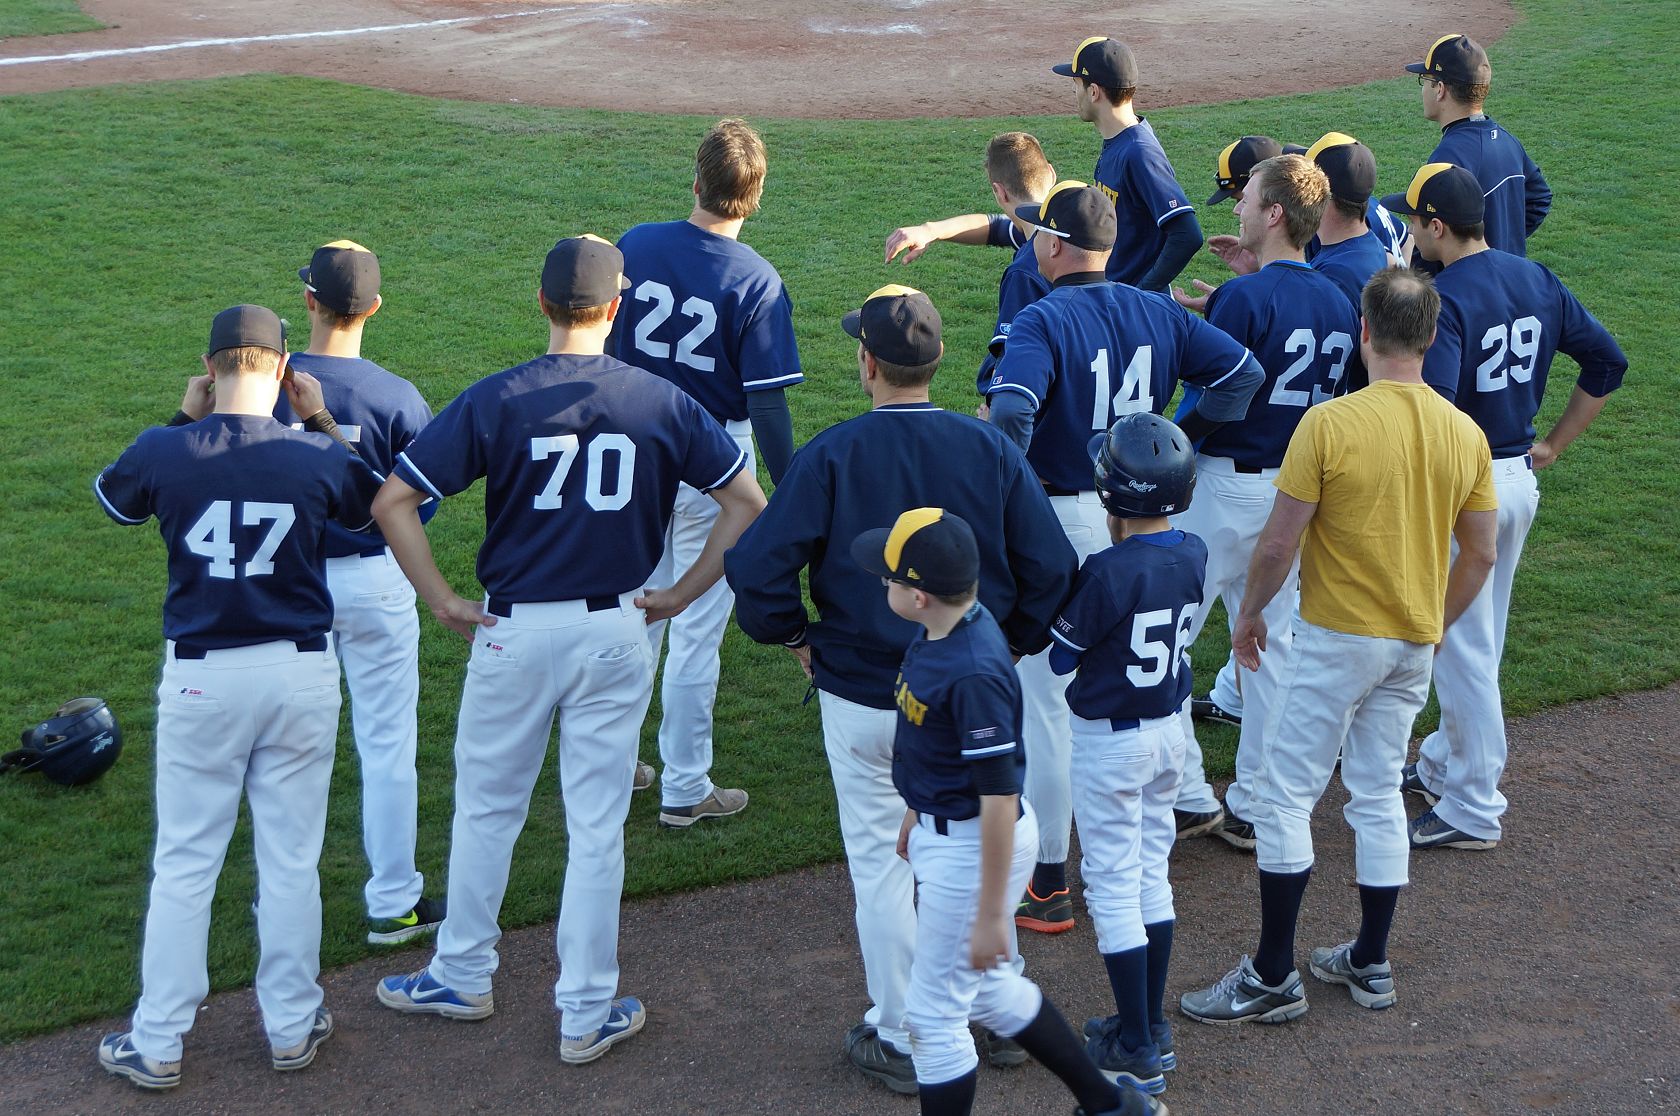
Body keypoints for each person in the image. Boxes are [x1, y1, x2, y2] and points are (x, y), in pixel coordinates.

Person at [370, 236, 766, 1064]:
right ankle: (585, 1011)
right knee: (596, 827)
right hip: (617, 632)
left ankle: (462, 974)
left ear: (542, 302)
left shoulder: (498, 396)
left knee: (487, 811)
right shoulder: (662, 400)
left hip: (511, 633)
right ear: (616, 308)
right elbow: (746, 502)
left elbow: (392, 500)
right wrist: (684, 593)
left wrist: (440, 598)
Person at [725, 286, 1077, 1094]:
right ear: (938, 359)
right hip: (969, 699)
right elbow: (1053, 568)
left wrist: (796, 637)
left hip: (862, 697)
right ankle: (998, 1013)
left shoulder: (833, 453)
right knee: (979, 845)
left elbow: (756, 569)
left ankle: (904, 1032)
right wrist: (1007, 647)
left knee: (884, 865)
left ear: (867, 363)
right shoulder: (989, 449)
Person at [1179, 267, 1498, 1025]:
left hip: (1333, 642)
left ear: (1365, 332)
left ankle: (1271, 976)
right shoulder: (1466, 432)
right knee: (1378, 794)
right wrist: (1435, 624)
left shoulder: (1328, 424)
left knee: (1285, 798)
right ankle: (1370, 960)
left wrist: (1249, 614)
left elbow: (1277, 544)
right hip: (1410, 645)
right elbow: (1481, 553)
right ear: (1430, 336)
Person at [93, 305, 379, 1088]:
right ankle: (291, 1025)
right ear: (284, 370)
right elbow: (374, 507)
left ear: (208, 366)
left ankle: (158, 1041)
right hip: (298, 675)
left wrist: (180, 420)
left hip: (202, 678)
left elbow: (116, 499)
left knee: (186, 862)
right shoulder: (313, 455)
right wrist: (320, 417)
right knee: (290, 859)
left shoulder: (164, 449)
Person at [986, 182, 1263, 932]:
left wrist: (1006, 490)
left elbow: (1011, 411)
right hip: (1147, 523)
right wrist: (1174, 444)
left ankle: (1049, 879)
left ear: (1054, 244)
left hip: (1061, 520)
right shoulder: (1157, 309)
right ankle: (1154, 843)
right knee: (1148, 679)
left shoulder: (1042, 317)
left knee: (1049, 705)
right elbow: (1242, 376)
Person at [852, 509, 1159, 1116]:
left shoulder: (971, 670)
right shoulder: (944, 628)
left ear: (918, 596)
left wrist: (995, 913)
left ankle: (1109, 1105)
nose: (881, 581)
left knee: (934, 1016)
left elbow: (997, 798)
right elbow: (936, 743)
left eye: (888, 575)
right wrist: (918, 806)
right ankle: (1109, 1105)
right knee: (990, 993)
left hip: (974, 845)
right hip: (953, 830)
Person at [1389, 164, 1628, 850]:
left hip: (1467, 489)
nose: (1409, 233)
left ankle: (1473, 805)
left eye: (1413, 222)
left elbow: (1434, 411)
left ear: (1437, 226)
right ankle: (1443, 762)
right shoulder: (1537, 278)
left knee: (1460, 646)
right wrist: (1553, 443)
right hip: (1517, 477)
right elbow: (1607, 362)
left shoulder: (1443, 300)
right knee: (1480, 634)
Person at [609, 118, 802, 828]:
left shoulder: (636, 245)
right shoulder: (757, 281)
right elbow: (767, 405)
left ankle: (614, 765)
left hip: (632, 452)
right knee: (693, 628)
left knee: (634, 610)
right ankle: (686, 786)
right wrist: (790, 489)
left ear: (696, 182)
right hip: (715, 470)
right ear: (756, 196)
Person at [1168, 154, 1360, 849]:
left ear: (1276, 212)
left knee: (1166, 638)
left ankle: (1187, 792)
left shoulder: (1243, 299)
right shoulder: (1339, 300)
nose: (1238, 208)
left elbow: (1217, 393)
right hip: (1294, 496)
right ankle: (1256, 804)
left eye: (1247, 198)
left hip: (1220, 490)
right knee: (1271, 650)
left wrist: (1172, 442)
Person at [278, 240, 445, 944]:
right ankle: (394, 903)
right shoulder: (397, 397)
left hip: (288, 587)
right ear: (374, 308)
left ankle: (285, 914)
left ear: (308, 300)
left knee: (288, 753)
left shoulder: (267, 388)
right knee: (387, 744)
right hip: (376, 583)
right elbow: (419, 507)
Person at [1050, 415, 1204, 1095]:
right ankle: (1148, 1025)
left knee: (1111, 884)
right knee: (1150, 874)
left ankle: (1137, 1045)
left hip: (1112, 746)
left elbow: (1061, 655)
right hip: (1171, 736)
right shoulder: (1194, 551)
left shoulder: (1107, 571)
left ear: (1110, 493)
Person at [883, 131, 1056, 400]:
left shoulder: (1024, 272)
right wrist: (931, 230)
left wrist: (994, 408)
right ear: (1051, 174)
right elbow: (995, 227)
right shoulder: (1070, 229)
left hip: (1038, 404)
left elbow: (1012, 357)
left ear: (999, 192)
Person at [1053, 37, 1202, 291]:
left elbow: (1187, 234)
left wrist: (1140, 295)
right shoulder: (1120, 140)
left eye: (1076, 85)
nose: (1074, 93)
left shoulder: (1139, 153)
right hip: (1115, 294)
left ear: (1093, 92)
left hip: (1132, 305)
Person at [1409, 33, 1550, 259]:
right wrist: (1505, 244)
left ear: (1440, 89)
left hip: (1467, 279)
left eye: (1424, 79)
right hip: (1507, 273)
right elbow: (1539, 198)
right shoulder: (1507, 141)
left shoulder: (1448, 159)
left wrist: (1483, 255)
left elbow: (1434, 237)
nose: (1422, 89)